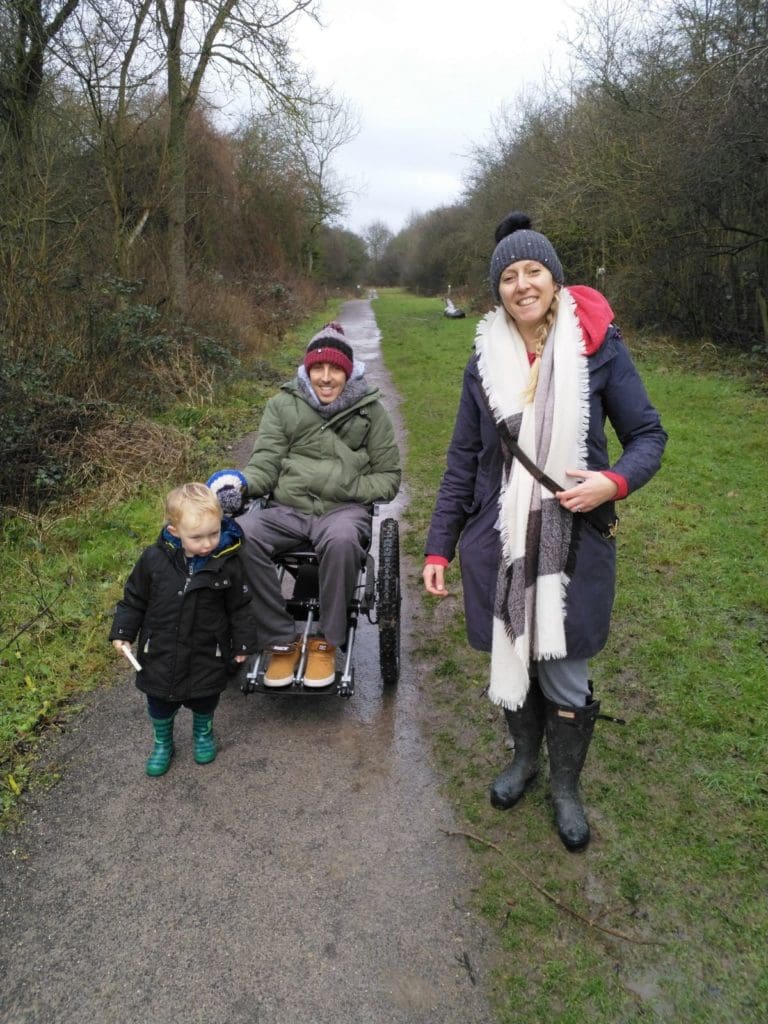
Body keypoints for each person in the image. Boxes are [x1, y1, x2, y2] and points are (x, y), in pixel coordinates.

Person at [422, 212, 667, 851]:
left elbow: (648, 437)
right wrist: (439, 544)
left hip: (576, 541)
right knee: (515, 659)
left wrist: (612, 483)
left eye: (534, 271)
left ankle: (564, 786)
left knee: (563, 671)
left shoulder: (599, 347)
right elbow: (461, 461)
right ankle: (524, 760)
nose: (523, 284)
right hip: (496, 540)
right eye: (509, 275)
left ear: (555, 280)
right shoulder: (482, 364)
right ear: (497, 289)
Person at [232, 321, 401, 688]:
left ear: (349, 371)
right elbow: (264, 464)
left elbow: (389, 478)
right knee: (240, 533)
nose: (326, 378)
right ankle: (279, 636)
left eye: (335, 369)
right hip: (287, 509)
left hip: (343, 510)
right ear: (307, 371)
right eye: (318, 369)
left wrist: (347, 485)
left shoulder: (371, 412)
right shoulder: (282, 406)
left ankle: (327, 639)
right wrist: (241, 486)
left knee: (341, 542)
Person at [109, 482, 259, 776]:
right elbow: (134, 598)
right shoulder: (154, 559)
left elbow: (240, 606)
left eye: (214, 533)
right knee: (160, 701)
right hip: (161, 647)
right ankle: (162, 742)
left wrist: (242, 644)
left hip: (208, 648)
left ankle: (203, 734)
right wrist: (122, 633)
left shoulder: (227, 562)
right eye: (197, 537)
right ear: (175, 530)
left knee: (205, 697)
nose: (207, 543)